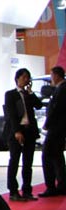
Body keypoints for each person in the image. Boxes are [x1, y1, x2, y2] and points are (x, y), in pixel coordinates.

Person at [4, 68, 43, 202]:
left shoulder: (28, 94)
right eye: (24, 77)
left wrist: (31, 92)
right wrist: (16, 131)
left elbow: (38, 105)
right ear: (17, 78)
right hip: (17, 131)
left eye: (28, 77)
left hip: (29, 131)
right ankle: (13, 191)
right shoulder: (10, 94)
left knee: (28, 162)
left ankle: (27, 190)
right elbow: (11, 115)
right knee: (14, 161)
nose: (26, 80)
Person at [40, 65, 66, 197]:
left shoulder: (62, 89)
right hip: (60, 129)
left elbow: (56, 109)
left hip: (56, 128)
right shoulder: (61, 89)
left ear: (56, 75)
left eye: (51, 76)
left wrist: (47, 124)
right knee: (57, 157)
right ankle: (62, 185)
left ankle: (51, 187)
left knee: (47, 156)